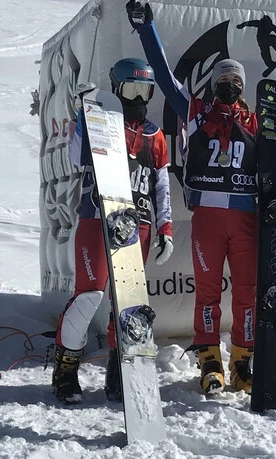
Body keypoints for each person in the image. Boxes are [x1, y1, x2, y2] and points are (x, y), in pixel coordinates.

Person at [126, 1, 276, 395]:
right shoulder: (195, 111)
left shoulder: (256, 122)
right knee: (207, 292)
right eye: (225, 80)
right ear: (214, 83)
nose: (230, 87)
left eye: (237, 83)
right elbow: (163, 75)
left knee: (246, 293)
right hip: (207, 216)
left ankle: (243, 363)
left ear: (244, 88)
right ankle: (210, 361)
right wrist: (146, 29)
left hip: (245, 218)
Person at [52, 57, 174, 404]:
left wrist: (165, 227)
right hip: (97, 217)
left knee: (127, 304)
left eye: (145, 91)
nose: (139, 98)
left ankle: (120, 372)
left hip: (140, 225)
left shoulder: (155, 136)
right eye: (132, 90)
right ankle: (65, 370)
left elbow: (162, 186)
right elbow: (77, 157)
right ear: (117, 89)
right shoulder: (102, 124)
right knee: (89, 295)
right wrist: (84, 114)